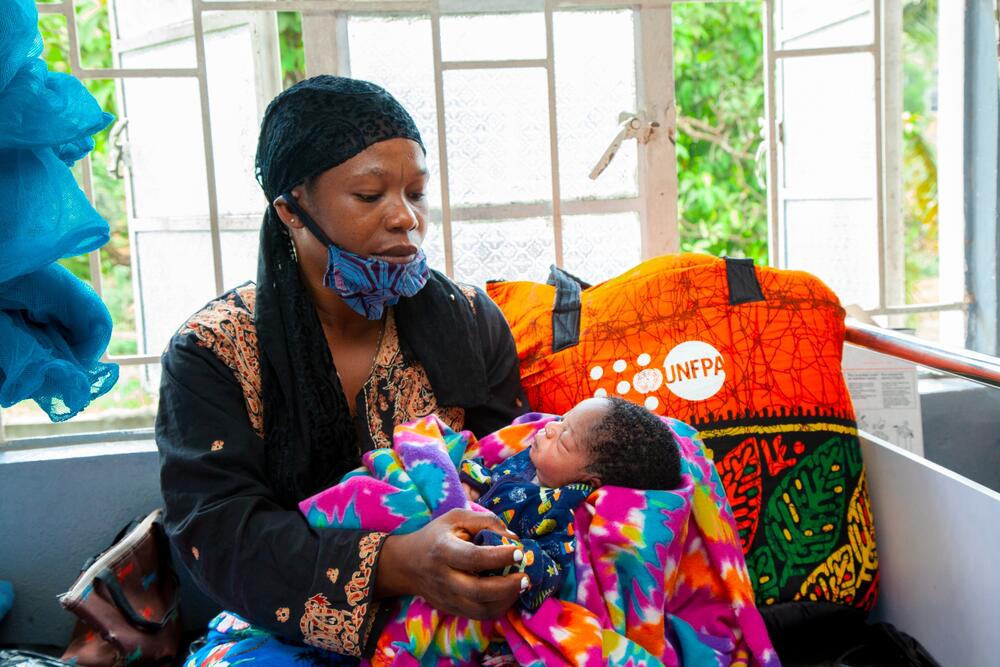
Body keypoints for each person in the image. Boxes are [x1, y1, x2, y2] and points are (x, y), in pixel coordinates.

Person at [154, 76, 532, 664]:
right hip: (283, 632)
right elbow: (220, 533)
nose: (405, 219)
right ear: (291, 210)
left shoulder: (471, 321)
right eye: (369, 195)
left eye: (416, 193)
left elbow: (515, 469)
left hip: (460, 621)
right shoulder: (213, 352)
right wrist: (395, 564)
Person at [462, 396, 682, 609]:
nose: (550, 428)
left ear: (587, 480)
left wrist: (493, 546)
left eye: (563, 442)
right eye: (561, 420)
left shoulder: (561, 514)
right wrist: (472, 481)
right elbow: (492, 473)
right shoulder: (530, 459)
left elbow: (548, 573)